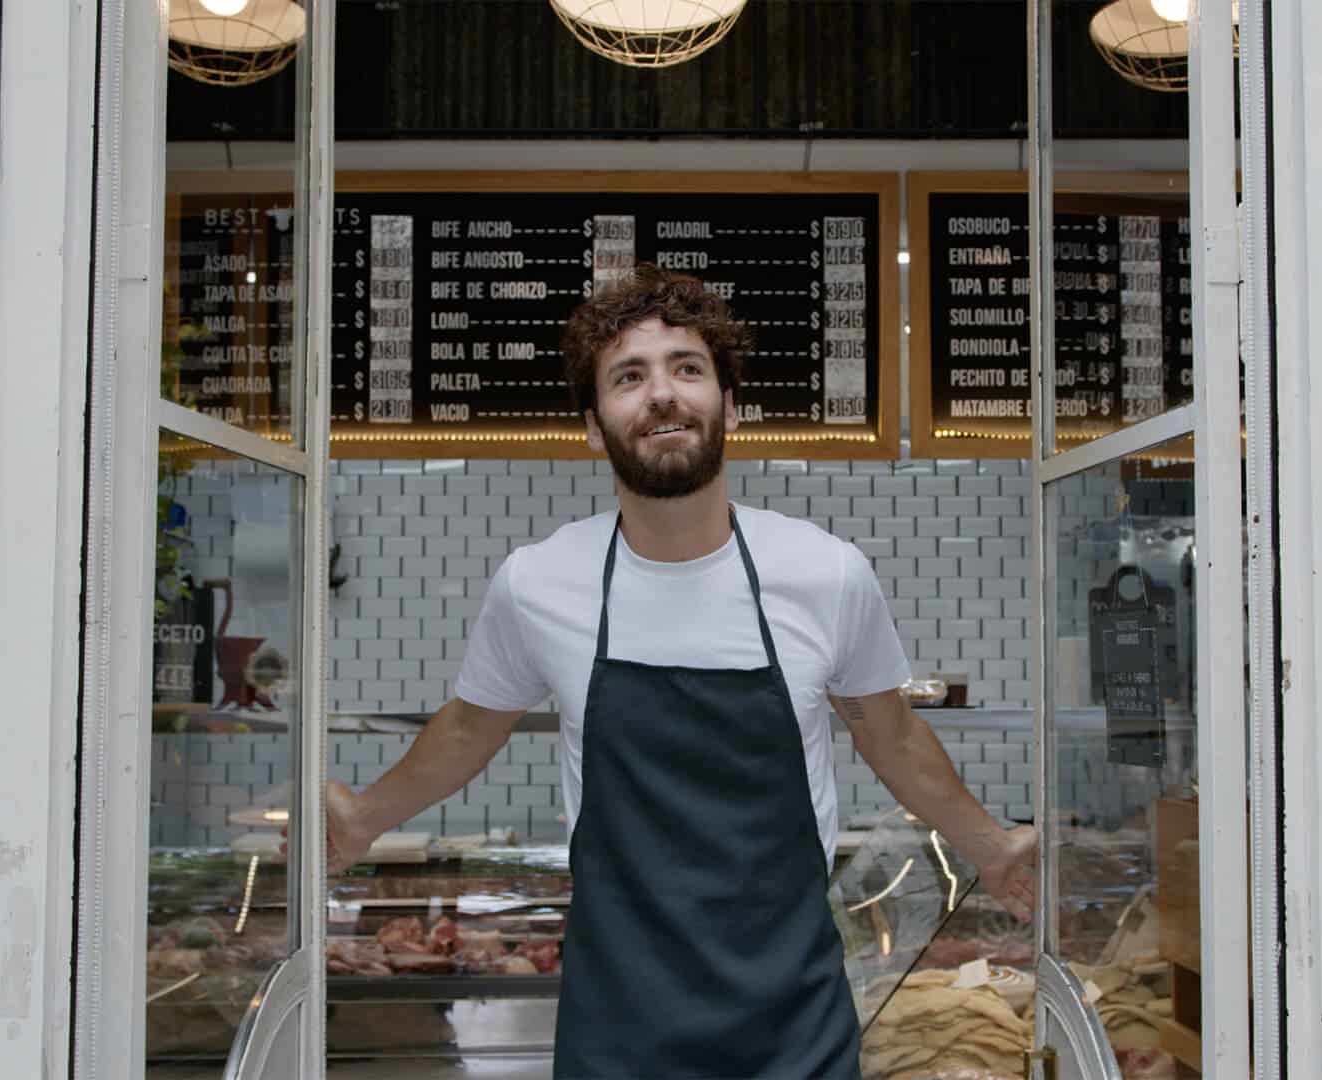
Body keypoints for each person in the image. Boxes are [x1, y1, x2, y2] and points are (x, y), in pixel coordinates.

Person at [324, 265, 1038, 1079]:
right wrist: (362, 816)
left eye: (687, 369)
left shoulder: (825, 573)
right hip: (618, 1019)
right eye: (630, 377)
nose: (662, 394)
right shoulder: (539, 581)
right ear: (595, 427)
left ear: (729, 405)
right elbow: (465, 730)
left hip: (792, 1019)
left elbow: (895, 738)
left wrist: (992, 845)